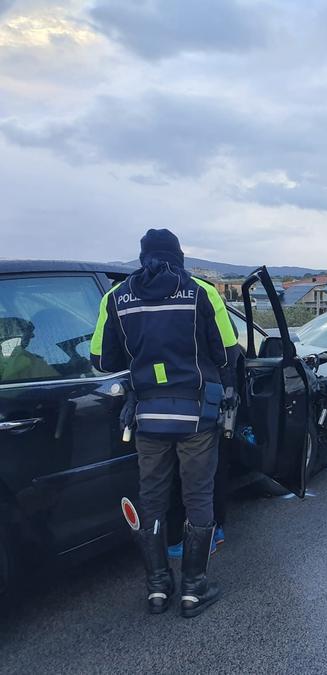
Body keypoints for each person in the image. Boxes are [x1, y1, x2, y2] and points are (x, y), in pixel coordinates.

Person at [90, 228, 239, 618]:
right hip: (196, 418)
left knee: (152, 499)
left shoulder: (115, 297)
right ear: (179, 257)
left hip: (147, 417)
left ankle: (157, 588)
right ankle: (194, 589)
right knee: (198, 497)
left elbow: (101, 361)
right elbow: (228, 353)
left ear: (142, 257)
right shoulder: (202, 292)